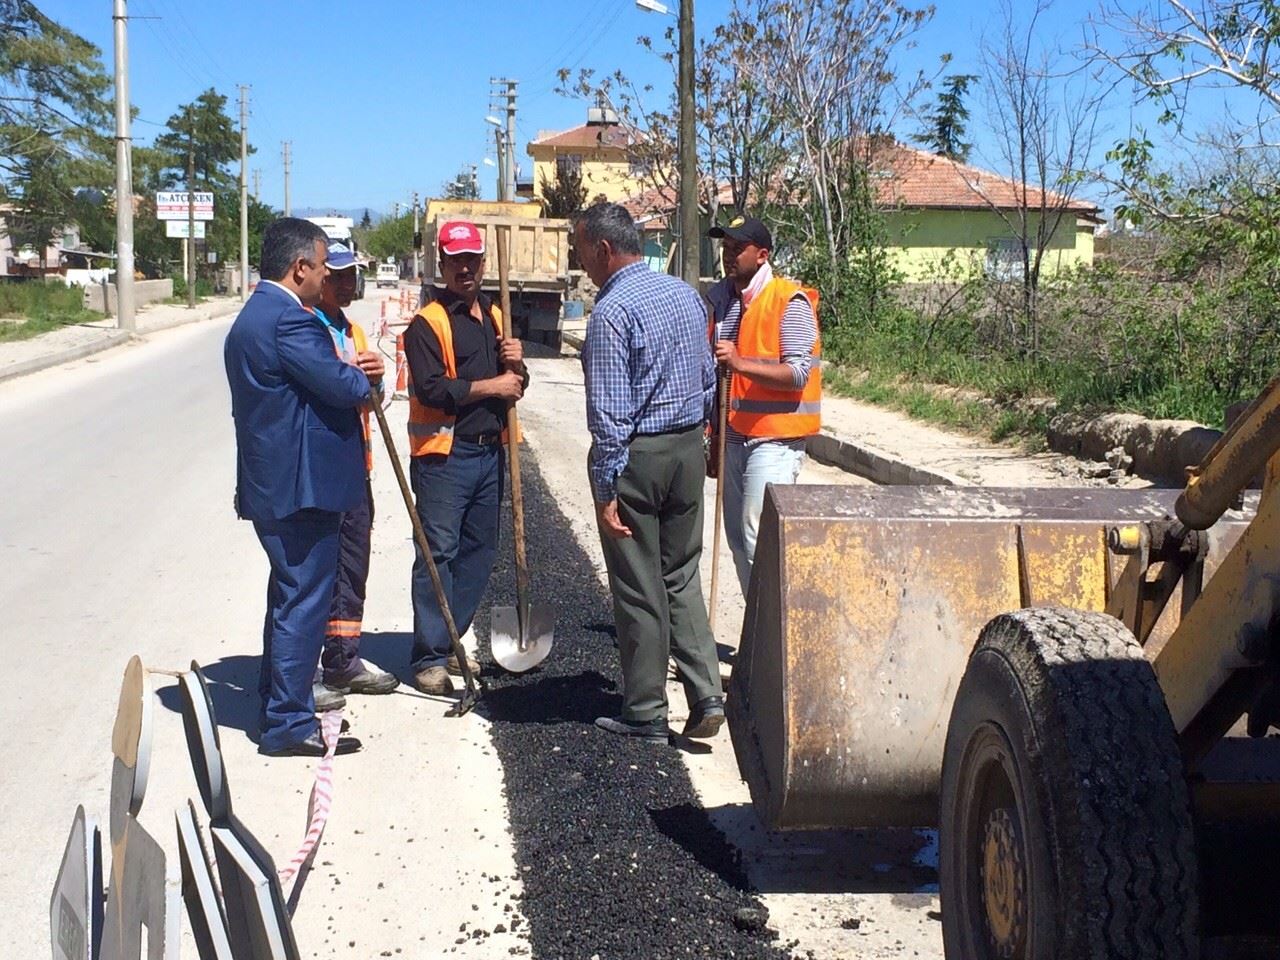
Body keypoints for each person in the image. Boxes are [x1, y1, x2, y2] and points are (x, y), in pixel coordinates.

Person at [224, 218, 383, 758]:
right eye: (320, 266)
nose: (324, 277)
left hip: (274, 484)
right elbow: (344, 386)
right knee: (304, 602)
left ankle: (277, 695)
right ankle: (289, 723)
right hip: (302, 488)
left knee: (287, 596)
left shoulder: (253, 317)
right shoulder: (292, 321)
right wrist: (363, 378)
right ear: (300, 268)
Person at [574, 202, 724, 745]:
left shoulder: (612, 314)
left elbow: (610, 414)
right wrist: (706, 441)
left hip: (640, 456)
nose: (581, 261)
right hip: (686, 446)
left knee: (639, 585)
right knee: (680, 573)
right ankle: (706, 691)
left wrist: (606, 486)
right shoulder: (686, 296)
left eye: (581, 249)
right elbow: (709, 378)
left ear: (604, 250)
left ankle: (645, 710)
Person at [403, 221, 526, 696]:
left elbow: (516, 386)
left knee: (480, 552)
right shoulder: (428, 324)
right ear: (443, 263)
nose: (466, 268)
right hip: (444, 458)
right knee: (438, 554)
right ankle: (430, 656)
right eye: (456, 260)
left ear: (483, 262)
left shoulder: (497, 318)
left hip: (489, 454)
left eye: (473, 259)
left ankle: (455, 639)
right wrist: (494, 385)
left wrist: (516, 365)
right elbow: (434, 390)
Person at [705, 216, 820, 596]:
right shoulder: (720, 300)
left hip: (775, 438)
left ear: (762, 255)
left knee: (758, 539)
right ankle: (757, 638)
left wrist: (740, 363)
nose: (729, 255)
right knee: (737, 540)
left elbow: (799, 372)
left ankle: (773, 640)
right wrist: (714, 437)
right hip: (734, 437)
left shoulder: (789, 300)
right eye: (725, 248)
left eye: (738, 248)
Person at [312, 242, 399, 706]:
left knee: (352, 566)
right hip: (324, 471)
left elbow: (371, 400)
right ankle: (306, 668)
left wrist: (379, 378)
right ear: (320, 277)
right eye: (340, 276)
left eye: (352, 276)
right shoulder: (309, 329)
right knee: (318, 572)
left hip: (356, 469)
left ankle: (343, 660)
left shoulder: (355, 331)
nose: (349, 284)